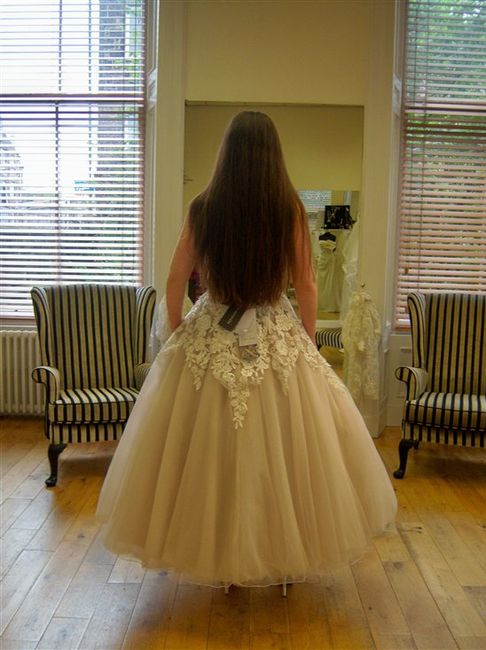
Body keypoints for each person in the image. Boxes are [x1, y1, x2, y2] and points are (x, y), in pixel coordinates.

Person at [96, 111, 397, 589]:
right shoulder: (288, 209)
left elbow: (175, 278)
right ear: (273, 155)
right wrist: (306, 339)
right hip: (274, 328)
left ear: (227, 153)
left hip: (210, 328)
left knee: (200, 446)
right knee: (290, 449)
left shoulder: (204, 206)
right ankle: (285, 551)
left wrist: (178, 328)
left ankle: (215, 552)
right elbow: (307, 283)